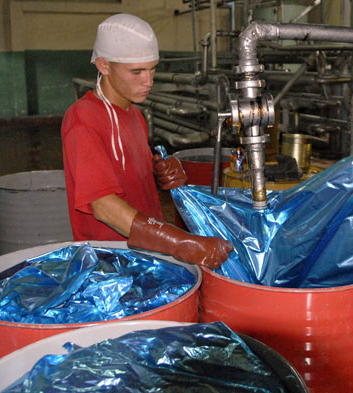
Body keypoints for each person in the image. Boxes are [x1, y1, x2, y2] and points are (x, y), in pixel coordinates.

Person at [62, 13, 232, 269]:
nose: (149, 81)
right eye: (137, 71)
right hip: (111, 264)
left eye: (152, 69)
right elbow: (104, 207)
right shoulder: (83, 118)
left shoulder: (135, 114)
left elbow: (124, 172)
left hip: (146, 254)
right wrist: (181, 242)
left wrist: (157, 171)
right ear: (104, 65)